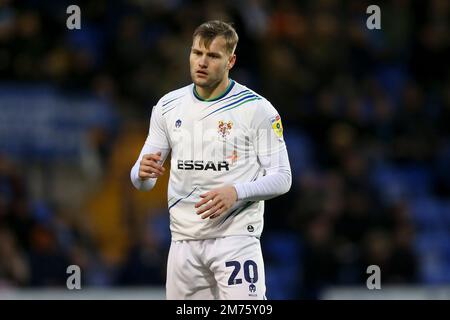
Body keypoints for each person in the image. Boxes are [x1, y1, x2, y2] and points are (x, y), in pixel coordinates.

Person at [130, 20, 291, 300]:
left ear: (231, 60)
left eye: (213, 56)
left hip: (235, 237)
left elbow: (282, 177)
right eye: (197, 53)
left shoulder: (256, 110)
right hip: (183, 242)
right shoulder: (168, 106)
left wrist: (237, 192)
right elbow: (143, 181)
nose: (202, 62)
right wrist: (141, 174)